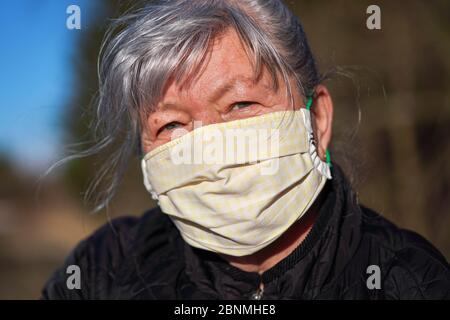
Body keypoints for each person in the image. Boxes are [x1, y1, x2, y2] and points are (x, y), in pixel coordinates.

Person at [42, 0, 449, 299]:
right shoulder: (101, 273)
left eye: (240, 104)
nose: (207, 147)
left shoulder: (409, 281)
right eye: (170, 124)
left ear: (317, 120)